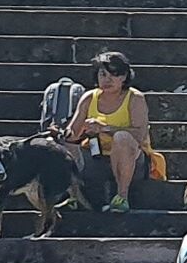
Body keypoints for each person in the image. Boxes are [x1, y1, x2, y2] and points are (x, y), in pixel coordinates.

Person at [65, 50, 155, 214]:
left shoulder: (135, 98)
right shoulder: (89, 98)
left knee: (122, 138)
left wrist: (105, 128)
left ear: (124, 77)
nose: (107, 80)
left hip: (131, 160)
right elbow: (72, 134)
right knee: (58, 144)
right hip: (95, 157)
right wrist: (70, 132)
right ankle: (72, 196)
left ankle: (122, 197)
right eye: (103, 74)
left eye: (114, 74)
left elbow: (140, 135)